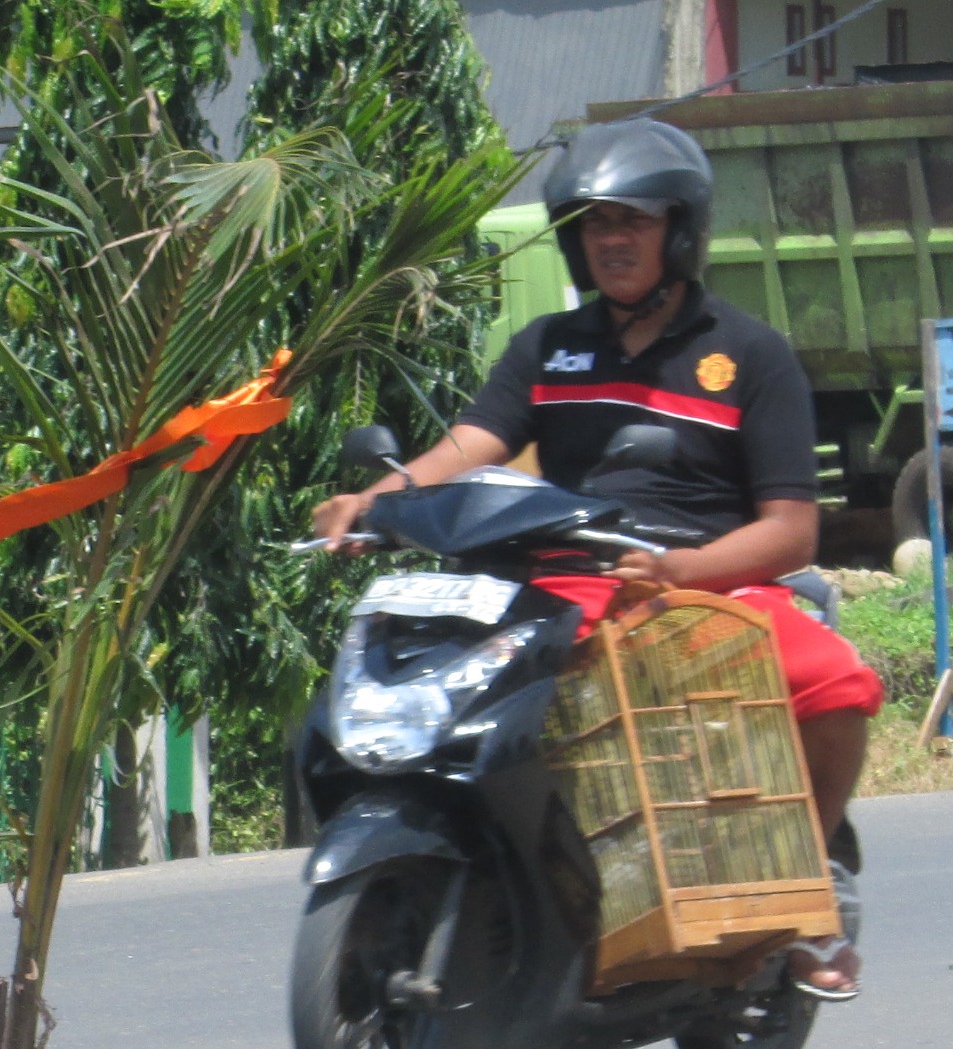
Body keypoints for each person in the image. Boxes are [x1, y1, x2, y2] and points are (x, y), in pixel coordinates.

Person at [309, 116, 880, 1000]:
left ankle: (814, 882)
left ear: (680, 231)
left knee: (841, 684)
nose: (611, 240)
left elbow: (792, 530)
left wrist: (684, 570)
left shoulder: (751, 356)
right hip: (558, 583)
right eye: (596, 224)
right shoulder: (547, 347)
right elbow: (470, 446)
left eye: (634, 221)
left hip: (699, 590)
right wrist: (377, 502)